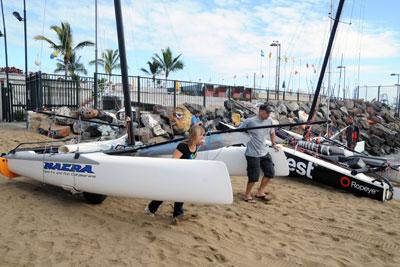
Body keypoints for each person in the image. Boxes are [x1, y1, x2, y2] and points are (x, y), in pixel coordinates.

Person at [145, 125, 205, 223]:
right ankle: (150, 209)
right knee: (165, 194)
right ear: (195, 136)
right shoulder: (182, 146)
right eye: (201, 135)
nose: (203, 137)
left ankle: (177, 214)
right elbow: (173, 161)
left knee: (180, 194)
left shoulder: (196, 146)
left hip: (184, 175)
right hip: (175, 174)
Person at [239, 104, 278, 203]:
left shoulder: (270, 121)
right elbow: (238, 131)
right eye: (267, 112)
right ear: (260, 111)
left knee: (270, 172)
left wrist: (273, 144)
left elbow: (272, 132)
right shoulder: (250, 121)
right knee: (254, 177)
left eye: (270, 112)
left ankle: (260, 192)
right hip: (252, 154)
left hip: (264, 152)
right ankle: (247, 195)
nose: (269, 114)